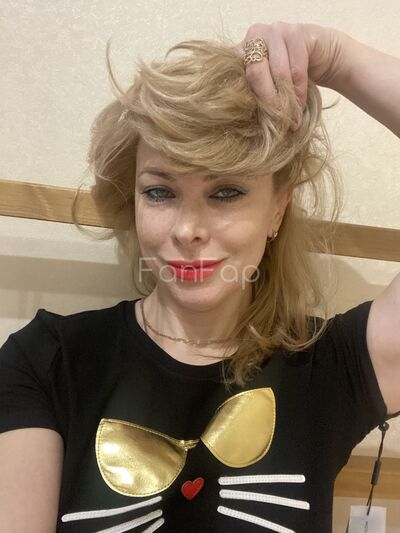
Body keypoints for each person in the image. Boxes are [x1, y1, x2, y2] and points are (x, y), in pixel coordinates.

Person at [0, 21, 399, 533]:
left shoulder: (332, 366)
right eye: (160, 192)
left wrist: (338, 59)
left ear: (277, 209)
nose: (187, 230)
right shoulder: (48, 362)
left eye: (226, 192)